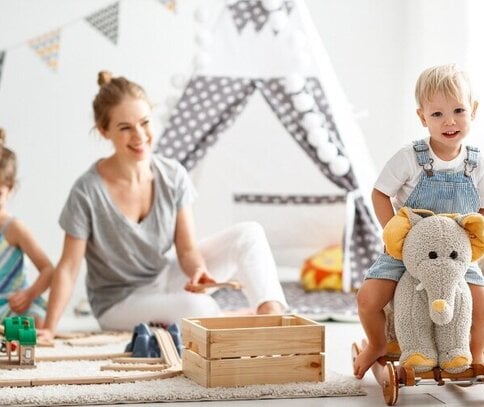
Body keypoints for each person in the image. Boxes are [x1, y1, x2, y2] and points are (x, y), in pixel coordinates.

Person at [40, 71, 287, 338]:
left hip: (166, 278)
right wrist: (50, 328)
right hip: (119, 302)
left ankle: (273, 318)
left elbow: (187, 249)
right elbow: (68, 267)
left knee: (249, 233)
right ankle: (229, 318)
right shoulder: (87, 191)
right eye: (125, 128)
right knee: (199, 307)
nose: (139, 135)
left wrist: (197, 270)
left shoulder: (173, 175)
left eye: (144, 122)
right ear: (104, 131)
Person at [353, 64, 484, 379]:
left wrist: (473, 244)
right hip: (410, 248)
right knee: (368, 299)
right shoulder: (411, 157)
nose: (449, 121)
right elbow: (380, 193)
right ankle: (377, 343)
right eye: (437, 114)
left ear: (473, 111)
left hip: (457, 255)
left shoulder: (476, 163)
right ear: (422, 118)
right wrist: (395, 234)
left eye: (459, 110)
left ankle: (474, 353)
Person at [0, 128, 54, 328]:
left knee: (34, 322)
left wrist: (28, 294)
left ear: (11, 190)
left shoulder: (13, 228)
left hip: (15, 304)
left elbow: (48, 269)